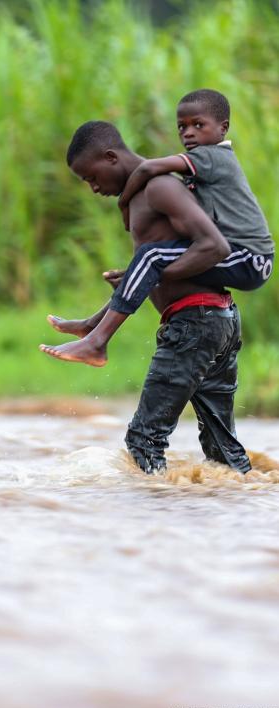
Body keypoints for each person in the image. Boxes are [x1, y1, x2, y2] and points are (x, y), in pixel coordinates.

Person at [40, 121, 251, 474]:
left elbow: (214, 245)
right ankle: (241, 512)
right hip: (215, 320)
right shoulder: (143, 194)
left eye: (91, 178)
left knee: (144, 441)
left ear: (110, 157)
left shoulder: (158, 188)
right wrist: (98, 314)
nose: (93, 188)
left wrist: (155, 275)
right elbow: (168, 261)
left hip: (194, 324)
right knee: (222, 452)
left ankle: (152, 522)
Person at [41, 90, 274, 367]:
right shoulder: (195, 172)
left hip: (250, 259)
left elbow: (148, 169)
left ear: (223, 128)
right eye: (182, 127)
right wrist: (141, 276)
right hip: (222, 293)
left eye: (198, 125)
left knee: (151, 259)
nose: (188, 133)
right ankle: (93, 326)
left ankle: (97, 341)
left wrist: (124, 203)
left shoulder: (208, 159)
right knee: (149, 263)